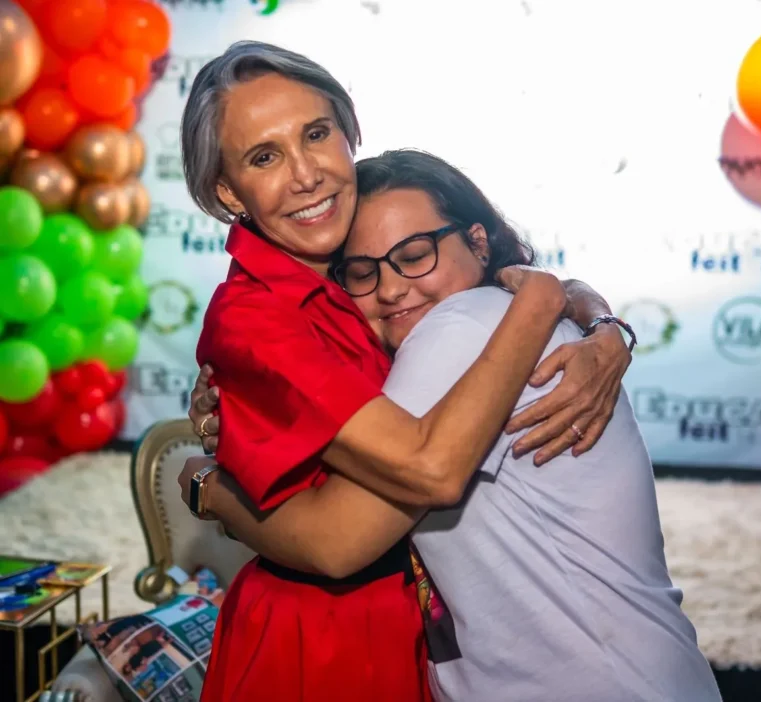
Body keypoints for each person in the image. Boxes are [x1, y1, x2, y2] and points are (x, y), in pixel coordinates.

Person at [179, 41, 631, 702]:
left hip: (419, 625)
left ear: (347, 132)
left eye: (316, 134)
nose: (305, 174)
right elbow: (428, 470)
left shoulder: (350, 268)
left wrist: (604, 326)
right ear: (226, 188)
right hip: (319, 640)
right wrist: (540, 297)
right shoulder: (258, 316)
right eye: (264, 156)